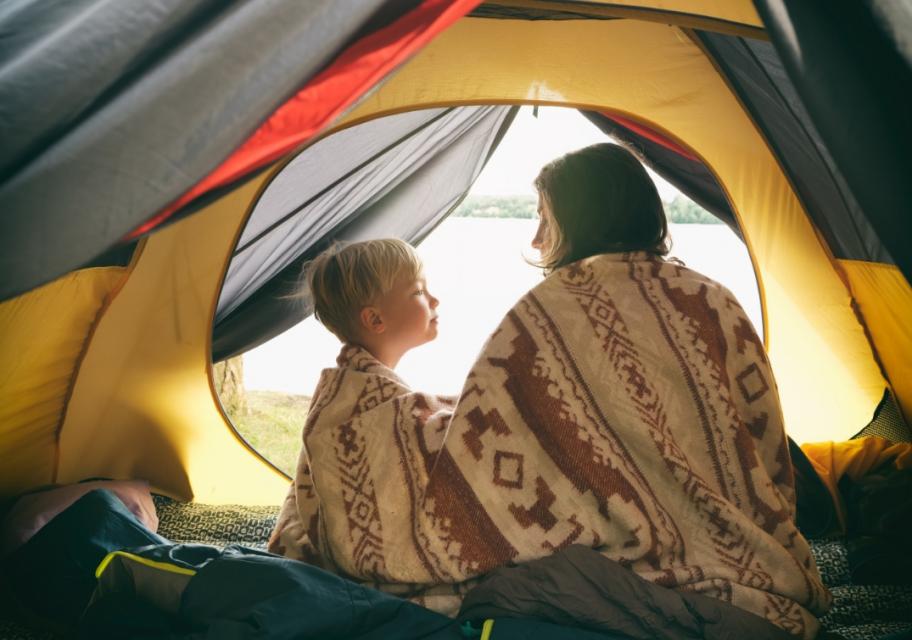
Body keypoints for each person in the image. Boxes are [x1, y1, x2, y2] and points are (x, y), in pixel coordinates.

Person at [270, 145, 830, 638]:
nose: (536, 237)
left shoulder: (551, 311)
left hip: (659, 569)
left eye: (544, 217)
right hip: (759, 567)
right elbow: (763, 446)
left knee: (499, 585)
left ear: (580, 217)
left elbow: (493, 440)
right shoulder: (715, 299)